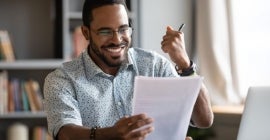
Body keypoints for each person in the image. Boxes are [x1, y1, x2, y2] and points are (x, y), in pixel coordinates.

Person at [43, 0, 214, 139]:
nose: (117, 39)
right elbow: (65, 133)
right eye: (105, 31)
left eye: (123, 29)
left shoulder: (154, 66)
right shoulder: (62, 79)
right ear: (86, 33)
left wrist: (185, 64)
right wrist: (113, 134)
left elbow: (204, 120)